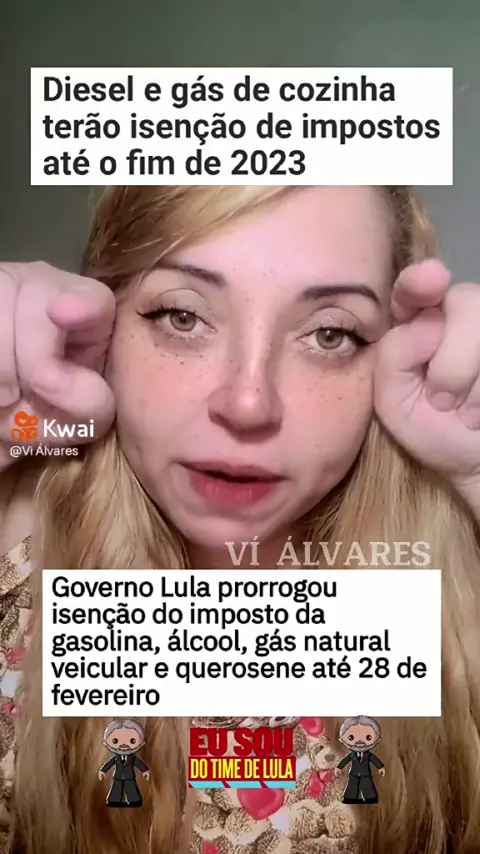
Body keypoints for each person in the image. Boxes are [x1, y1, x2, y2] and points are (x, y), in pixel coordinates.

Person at [1, 185, 480, 854]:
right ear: (104, 332)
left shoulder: (453, 613)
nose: (249, 402)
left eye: (331, 333)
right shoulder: (20, 539)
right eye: (182, 316)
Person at [335, 716, 385, 805]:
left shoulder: (368, 755)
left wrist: (380, 767)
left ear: (377, 740)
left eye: (368, 737)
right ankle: (350, 798)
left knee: (367, 786)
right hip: (353, 773)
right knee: (352, 786)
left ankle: (370, 798)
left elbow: (374, 760)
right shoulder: (352, 754)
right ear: (342, 740)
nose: (360, 741)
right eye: (351, 737)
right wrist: (339, 767)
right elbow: (345, 760)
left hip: (365, 773)